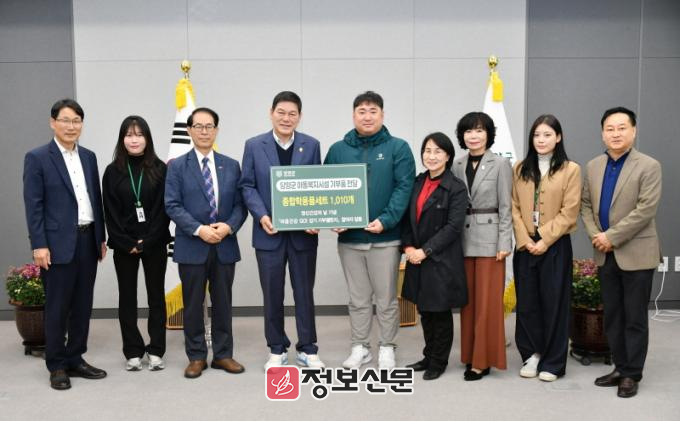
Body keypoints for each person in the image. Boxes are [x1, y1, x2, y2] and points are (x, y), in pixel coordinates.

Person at [324, 91, 415, 369]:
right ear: (353, 115)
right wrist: (333, 217)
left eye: (373, 111)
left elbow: (404, 187)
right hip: (350, 240)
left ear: (382, 115)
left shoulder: (398, 148)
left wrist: (386, 220)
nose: (367, 116)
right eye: (361, 111)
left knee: (386, 299)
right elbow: (326, 187)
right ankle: (360, 346)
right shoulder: (338, 150)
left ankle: (387, 346)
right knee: (358, 299)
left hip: (385, 239)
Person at [23, 98, 108, 390]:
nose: (71, 126)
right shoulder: (37, 158)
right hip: (56, 244)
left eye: (76, 121)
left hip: (88, 240)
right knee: (58, 307)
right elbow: (34, 206)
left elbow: (95, 199)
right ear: (53, 122)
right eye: (65, 120)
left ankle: (75, 358)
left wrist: (100, 237)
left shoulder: (89, 157)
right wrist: (39, 244)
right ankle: (57, 364)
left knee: (83, 305)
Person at [239, 91, 324, 371]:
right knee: (272, 294)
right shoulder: (254, 145)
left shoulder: (311, 145)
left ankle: (308, 348)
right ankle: (276, 348)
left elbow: (317, 185)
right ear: (271, 112)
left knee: (304, 293)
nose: (286, 118)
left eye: (292, 114)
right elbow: (247, 185)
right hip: (269, 234)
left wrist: (315, 216)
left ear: (299, 116)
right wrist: (261, 215)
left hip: (303, 236)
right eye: (281, 112)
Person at [581, 107, 662, 398]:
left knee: (634, 317)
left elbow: (646, 210)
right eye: (610, 129)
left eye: (622, 128)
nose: (615, 134)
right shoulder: (593, 166)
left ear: (633, 131)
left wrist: (611, 237)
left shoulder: (649, 166)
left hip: (636, 252)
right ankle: (620, 366)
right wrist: (596, 236)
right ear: (602, 133)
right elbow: (586, 205)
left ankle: (632, 374)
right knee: (613, 315)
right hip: (605, 253)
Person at [165, 107, 247, 378]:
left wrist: (228, 227)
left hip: (224, 245)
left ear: (216, 130)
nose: (204, 131)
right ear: (189, 130)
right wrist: (199, 230)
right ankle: (196, 356)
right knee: (192, 304)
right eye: (198, 126)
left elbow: (240, 205)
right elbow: (172, 205)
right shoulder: (177, 166)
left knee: (223, 302)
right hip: (192, 245)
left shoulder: (231, 165)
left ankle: (223, 355)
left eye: (209, 126)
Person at [511, 114, 581, 382]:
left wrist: (544, 239)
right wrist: (525, 239)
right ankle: (532, 354)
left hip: (555, 245)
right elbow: (514, 207)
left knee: (554, 303)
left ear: (558, 137)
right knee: (527, 303)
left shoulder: (570, 169)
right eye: (537, 135)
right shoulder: (520, 168)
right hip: (525, 245)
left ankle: (553, 361)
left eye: (547, 135)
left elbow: (570, 211)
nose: (541, 140)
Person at [103, 116, 170, 372]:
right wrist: (127, 242)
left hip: (154, 243)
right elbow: (109, 212)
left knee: (156, 297)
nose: (134, 140)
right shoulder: (112, 171)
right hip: (124, 246)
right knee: (127, 298)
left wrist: (146, 242)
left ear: (147, 138)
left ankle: (156, 350)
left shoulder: (160, 169)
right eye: (129, 135)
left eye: (139, 134)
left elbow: (164, 210)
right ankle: (132, 351)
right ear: (122, 139)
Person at [402, 132, 468, 380]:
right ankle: (428, 356)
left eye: (438, 151)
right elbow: (406, 219)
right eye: (427, 151)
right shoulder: (417, 182)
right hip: (417, 257)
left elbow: (453, 227)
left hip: (441, 259)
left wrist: (425, 251)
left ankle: (439, 362)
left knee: (439, 312)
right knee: (425, 311)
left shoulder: (456, 187)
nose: (432, 156)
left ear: (448, 156)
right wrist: (408, 247)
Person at [452, 111, 512, 381]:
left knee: (487, 304)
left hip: (490, 242)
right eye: (468, 131)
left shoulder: (500, 164)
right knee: (468, 304)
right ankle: (469, 354)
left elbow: (506, 206)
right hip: (462, 242)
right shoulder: (457, 164)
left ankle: (482, 361)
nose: (473, 136)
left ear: (488, 134)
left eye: (479, 130)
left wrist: (504, 241)